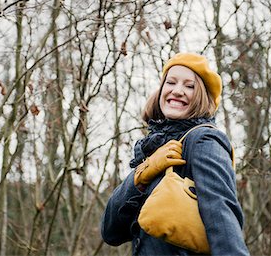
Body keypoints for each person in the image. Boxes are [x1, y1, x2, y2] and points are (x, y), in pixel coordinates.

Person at [101, 53, 250, 255]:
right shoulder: (154, 150)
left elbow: (221, 213)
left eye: (190, 86)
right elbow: (111, 232)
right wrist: (142, 173)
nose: (177, 91)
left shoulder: (203, 139)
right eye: (170, 82)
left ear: (202, 97)